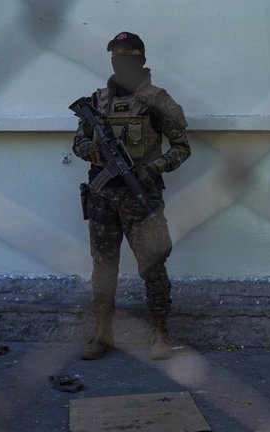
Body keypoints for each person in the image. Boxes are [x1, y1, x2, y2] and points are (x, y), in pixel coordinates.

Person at [72, 32, 191, 360]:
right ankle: (103, 333)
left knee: (153, 266)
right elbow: (78, 142)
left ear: (141, 58)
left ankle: (160, 333)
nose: (121, 59)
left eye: (128, 54)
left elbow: (182, 147)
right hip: (103, 198)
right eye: (116, 54)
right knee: (103, 268)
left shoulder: (159, 100)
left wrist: (152, 168)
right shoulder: (95, 102)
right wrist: (94, 152)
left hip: (142, 199)